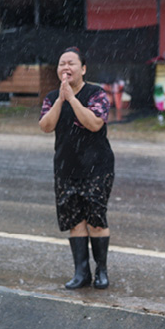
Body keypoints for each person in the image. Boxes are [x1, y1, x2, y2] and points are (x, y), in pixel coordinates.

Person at [38, 46, 114, 290]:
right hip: (66, 168)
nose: (66, 67)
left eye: (71, 63)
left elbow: (93, 124)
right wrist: (61, 100)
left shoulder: (97, 94)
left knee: (96, 220)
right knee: (75, 221)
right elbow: (45, 126)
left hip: (96, 168)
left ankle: (101, 271)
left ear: (83, 69)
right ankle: (81, 273)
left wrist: (72, 98)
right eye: (62, 64)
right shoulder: (51, 97)